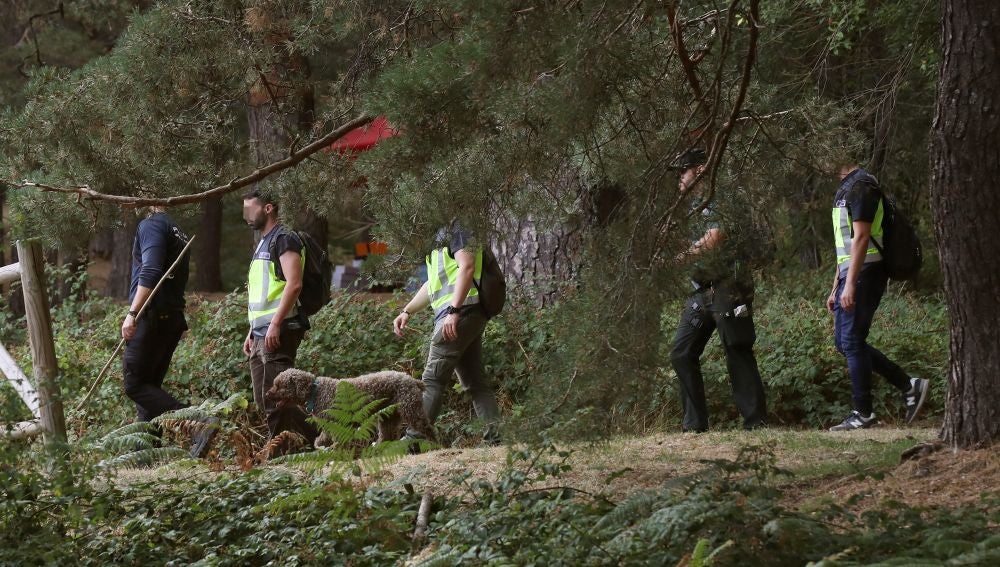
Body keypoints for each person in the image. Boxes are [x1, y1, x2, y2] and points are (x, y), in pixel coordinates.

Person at [667, 148, 767, 432]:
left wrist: (677, 259)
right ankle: (694, 426)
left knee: (736, 349)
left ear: (699, 169)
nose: (678, 178)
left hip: (729, 286)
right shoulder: (692, 206)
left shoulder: (722, 197)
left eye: (682, 171)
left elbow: (713, 238)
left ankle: (755, 423)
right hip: (701, 290)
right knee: (681, 352)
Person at [826, 162, 929, 431]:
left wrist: (849, 284)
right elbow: (845, 244)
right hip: (852, 274)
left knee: (851, 340)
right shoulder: (845, 188)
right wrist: (836, 285)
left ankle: (863, 412)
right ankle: (909, 385)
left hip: (866, 273)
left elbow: (861, 238)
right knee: (844, 342)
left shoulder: (862, 186)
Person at [392, 223, 501, 446]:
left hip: (459, 315)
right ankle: (496, 440)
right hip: (465, 315)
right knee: (476, 383)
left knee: (431, 380)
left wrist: (454, 310)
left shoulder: (459, 228)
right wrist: (407, 311)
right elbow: (432, 284)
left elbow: (467, 266)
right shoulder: (440, 238)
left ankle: (413, 442)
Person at [242, 190, 315, 440]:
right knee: (265, 400)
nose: (247, 216)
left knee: (278, 400)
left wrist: (274, 324)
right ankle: (317, 438)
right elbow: (262, 292)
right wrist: (251, 332)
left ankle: (280, 456)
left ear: (268, 208)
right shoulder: (263, 242)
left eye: (251, 210)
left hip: (280, 330)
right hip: (260, 334)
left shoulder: (284, 239)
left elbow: (294, 284)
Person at [121, 206, 190, 423]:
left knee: (135, 386)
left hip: (152, 316)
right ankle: (148, 455)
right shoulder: (176, 229)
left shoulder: (151, 225)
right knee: (149, 391)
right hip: (171, 318)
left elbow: (151, 270)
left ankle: (196, 421)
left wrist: (133, 313)